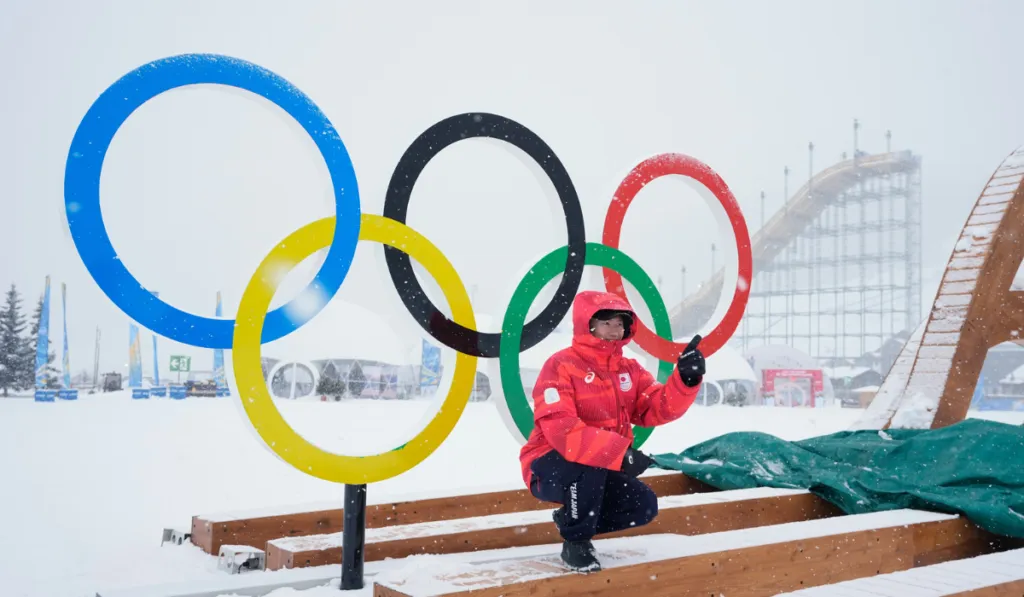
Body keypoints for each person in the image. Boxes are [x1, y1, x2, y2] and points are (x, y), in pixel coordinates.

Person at [519, 290, 705, 573]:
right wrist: (620, 455)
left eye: (620, 323)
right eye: (607, 322)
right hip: (548, 464)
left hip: (599, 467)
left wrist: (685, 380)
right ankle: (576, 543)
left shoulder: (628, 370)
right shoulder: (560, 366)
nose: (615, 330)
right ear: (587, 324)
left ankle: (571, 516)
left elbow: (655, 406)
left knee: (643, 505)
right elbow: (562, 430)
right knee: (589, 464)